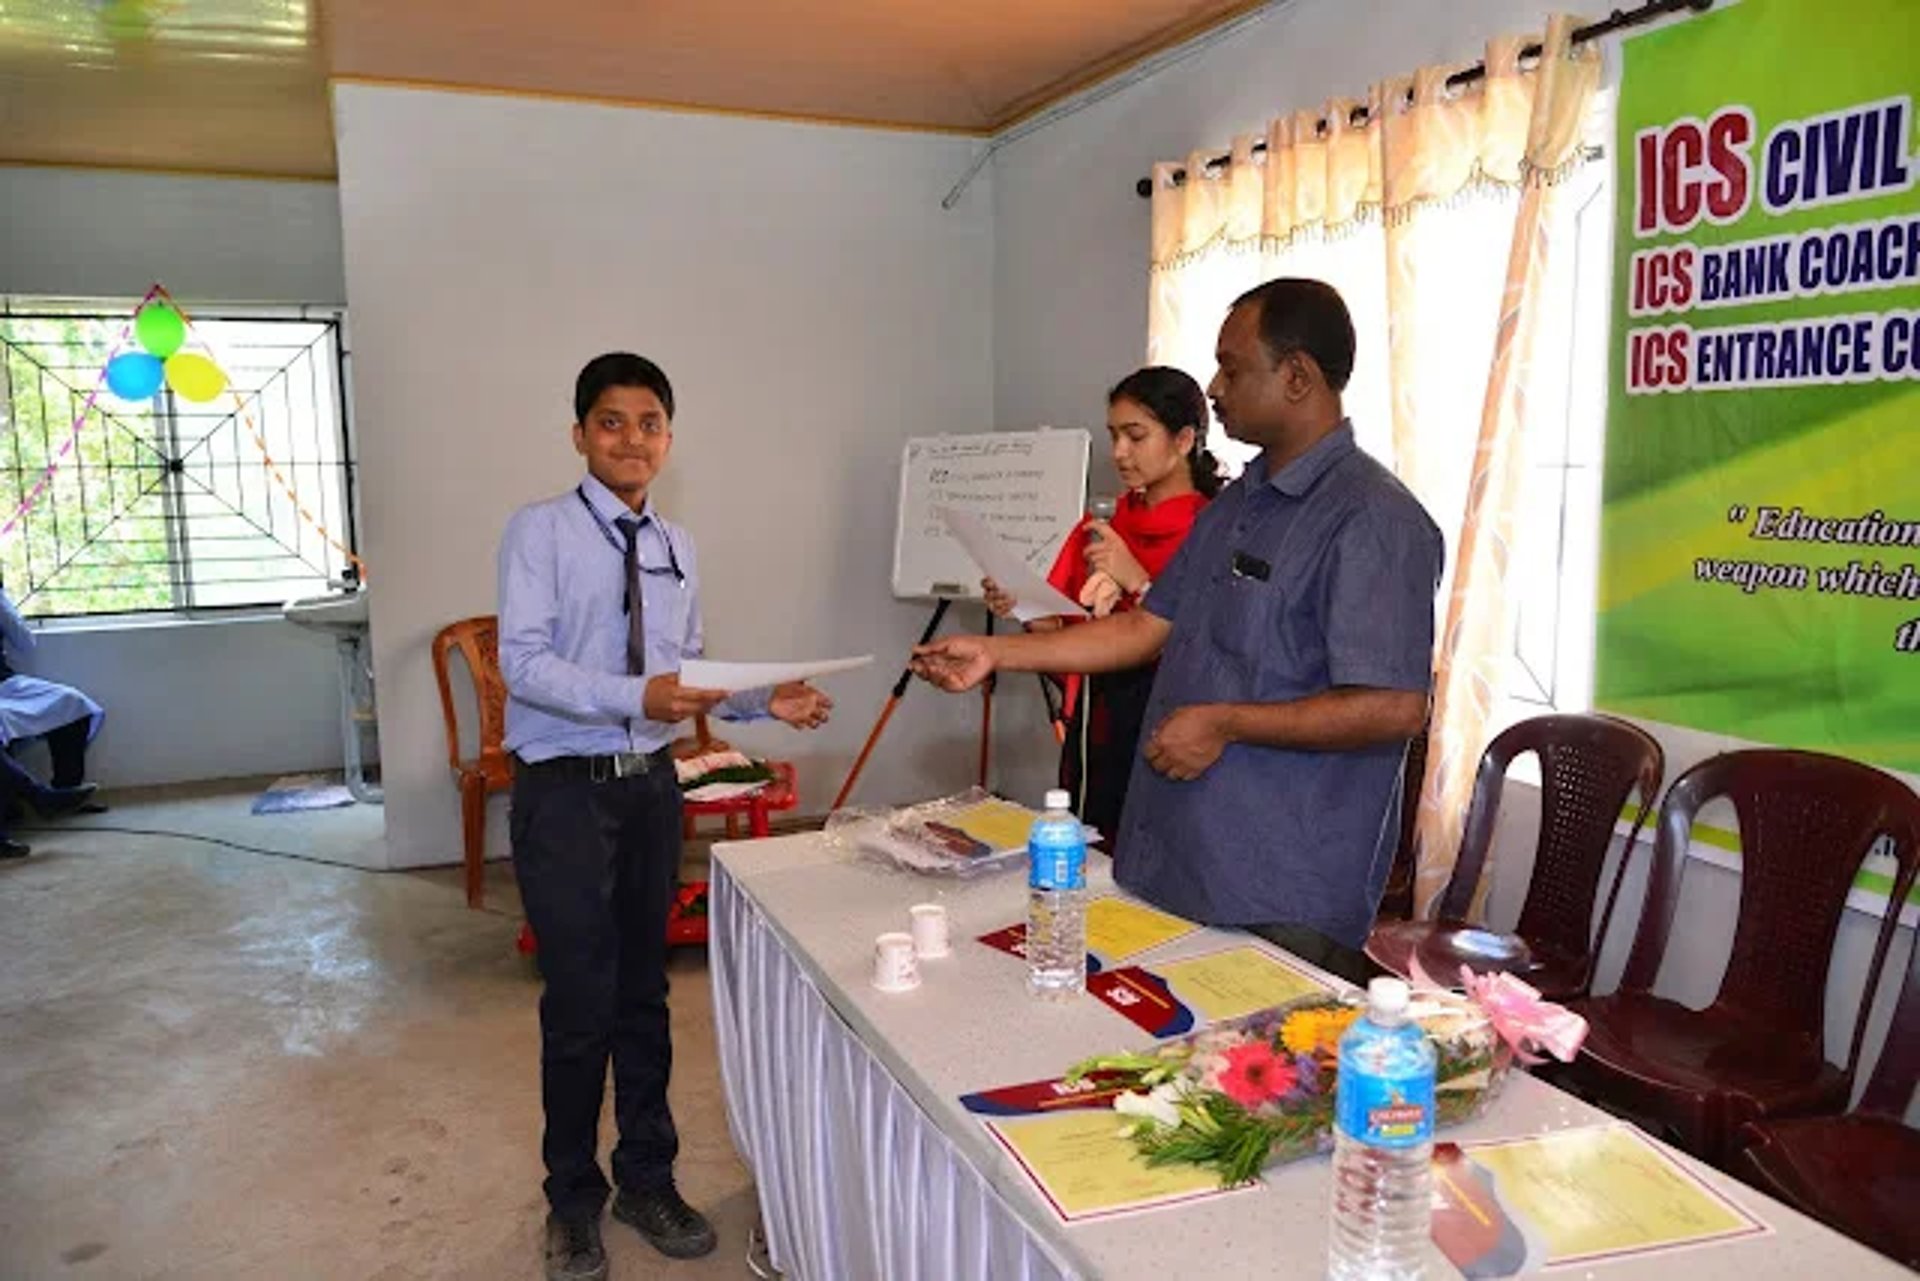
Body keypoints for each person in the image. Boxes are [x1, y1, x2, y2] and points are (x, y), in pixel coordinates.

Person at [914, 278, 1442, 983]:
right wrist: (993, 651)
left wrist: (1224, 722)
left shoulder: (1372, 519)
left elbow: (1393, 705)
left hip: (1279, 883)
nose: (1215, 386)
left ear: (1296, 376)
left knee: (1247, 1083)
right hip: (1178, 853)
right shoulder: (1236, 505)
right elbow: (1144, 627)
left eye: (1232, 366)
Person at [498, 352, 832, 1281]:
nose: (632, 439)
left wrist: (771, 700)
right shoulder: (540, 533)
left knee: (646, 992)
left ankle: (648, 1176)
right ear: (579, 435)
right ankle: (572, 1200)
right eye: (612, 421)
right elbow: (522, 665)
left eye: (650, 422)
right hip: (563, 790)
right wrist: (635, 690)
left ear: (669, 439)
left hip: (648, 787)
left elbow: (688, 673)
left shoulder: (677, 543)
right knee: (578, 1003)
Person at [981, 367, 1219, 845]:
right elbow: (1062, 635)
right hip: (1094, 728)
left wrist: (1136, 578)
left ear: (1184, 439)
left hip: (1170, 726)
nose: (1119, 454)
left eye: (1136, 436)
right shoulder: (1102, 526)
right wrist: (1026, 607)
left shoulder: (1212, 528)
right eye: (1114, 436)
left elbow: (1211, 641)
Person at [0, 582, 104, 858]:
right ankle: (37, 800)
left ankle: (65, 789)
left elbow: (24, 641)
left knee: (71, 703)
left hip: (4, 684)